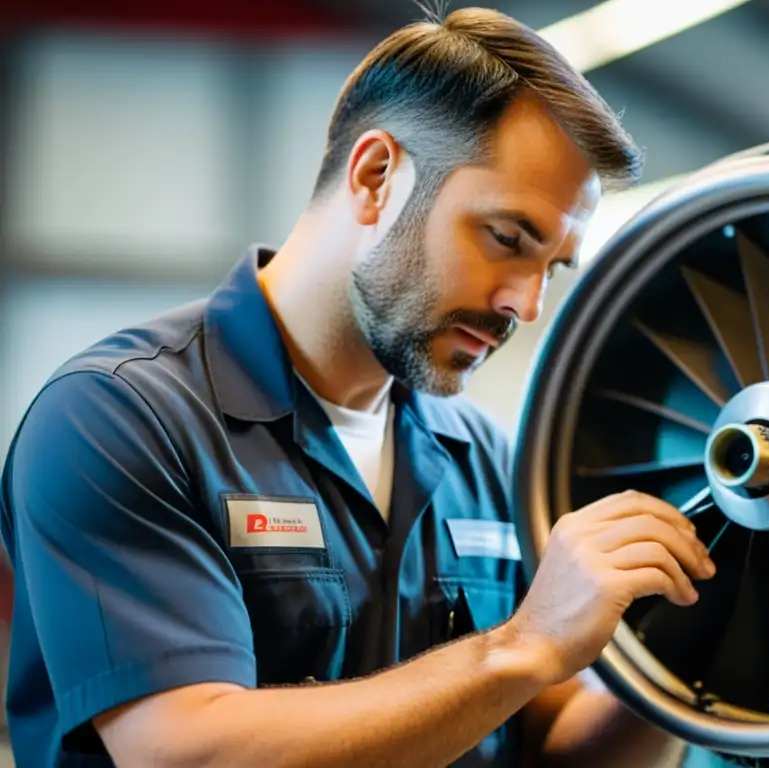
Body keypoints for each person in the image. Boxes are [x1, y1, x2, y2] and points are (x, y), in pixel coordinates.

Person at [0, 7, 717, 767]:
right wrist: (526, 644)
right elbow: (186, 751)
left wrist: (686, 662)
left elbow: (543, 742)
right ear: (376, 178)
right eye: (508, 239)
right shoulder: (118, 419)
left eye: (553, 267)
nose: (526, 305)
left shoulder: (483, 457)